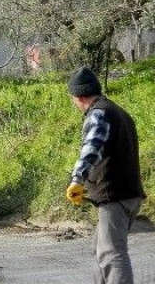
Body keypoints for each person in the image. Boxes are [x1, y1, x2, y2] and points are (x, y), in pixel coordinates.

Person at [65, 66, 146, 284]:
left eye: (72, 98)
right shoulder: (118, 111)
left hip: (115, 197)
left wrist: (77, 180)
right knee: (101, 250)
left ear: (79, 96)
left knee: (112, 254)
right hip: (129, 195)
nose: (73, 103)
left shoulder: (98, 114)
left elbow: (91, 148)